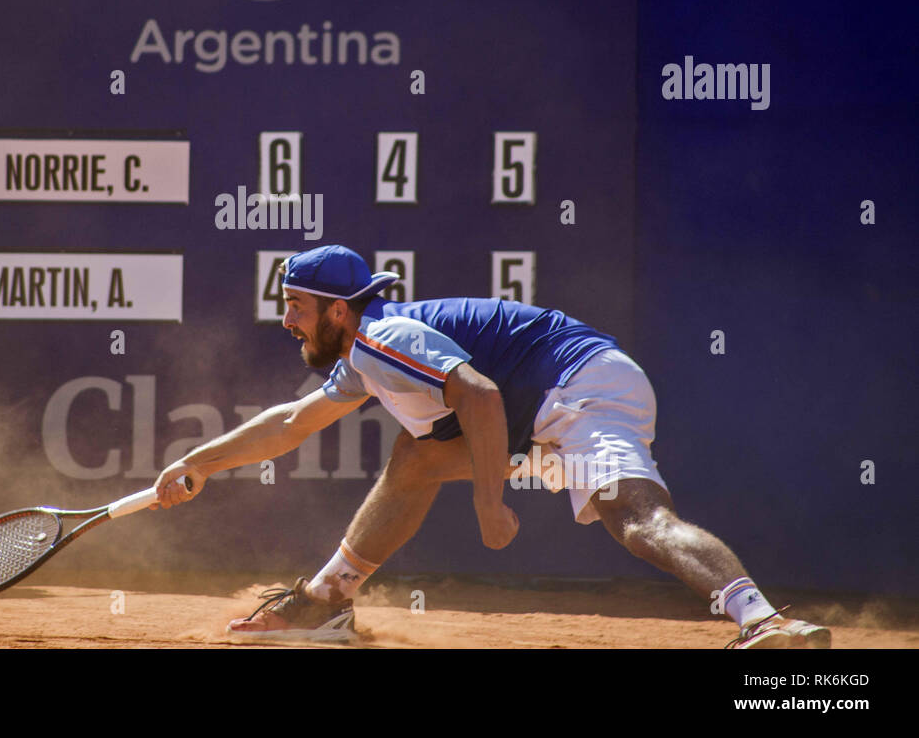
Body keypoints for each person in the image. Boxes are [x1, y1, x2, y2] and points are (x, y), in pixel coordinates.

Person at [153, 244, 830, 649]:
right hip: (534, 409)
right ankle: (328, 601)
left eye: (296, 305)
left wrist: (488, 500)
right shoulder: (363, 352)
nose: (286, 320)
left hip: (580, 387)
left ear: (338, 309)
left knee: (637, 520)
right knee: (414, 459)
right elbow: (292, 423)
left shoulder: (385, 339)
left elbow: (477, 396)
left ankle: (761, 622)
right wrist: (195, 463)